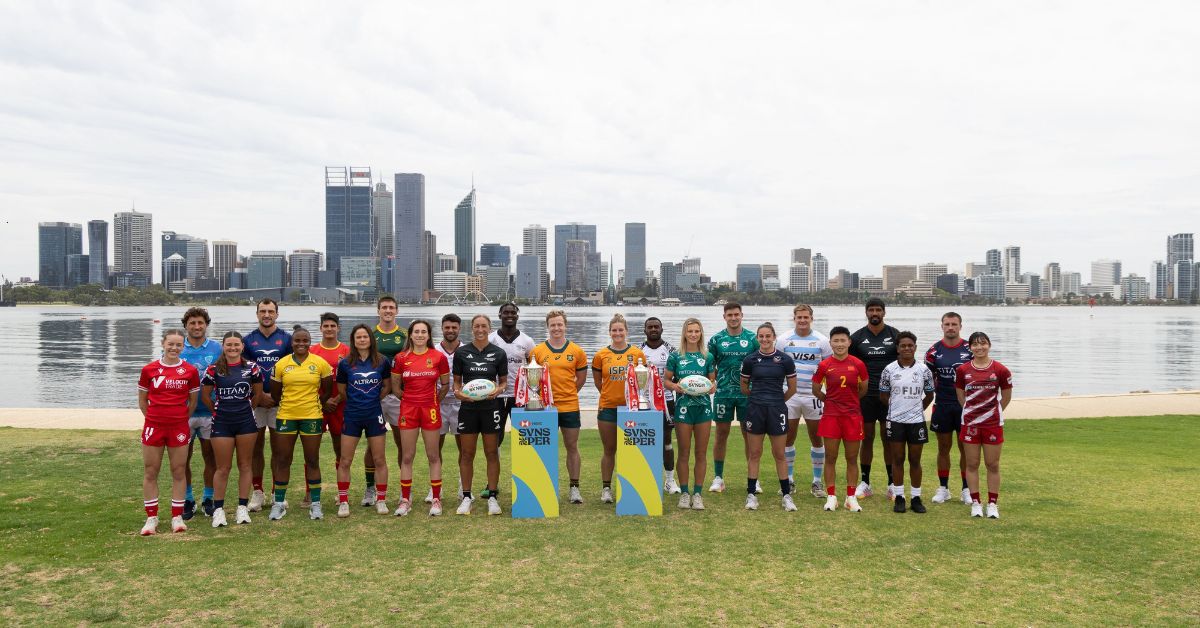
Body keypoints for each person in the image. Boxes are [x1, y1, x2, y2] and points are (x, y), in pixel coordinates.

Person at [137, 329, 201, 535]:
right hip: (154, 427)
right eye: (170, 344)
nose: (174, 348)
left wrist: (180, 418)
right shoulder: (149, 369)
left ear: (183, 347)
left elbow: (192, 403)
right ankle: (151, 518)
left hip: (179, 428)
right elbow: (142, 400)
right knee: (150, 471)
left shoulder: (190, 371)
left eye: (178, 345)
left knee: (179, 471)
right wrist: (154, 419)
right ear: (163, 344)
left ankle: (177, 517)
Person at [268, 327, 333, 521]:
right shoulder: (281, 365)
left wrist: (314, 405)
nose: (301, 344)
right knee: (283, 459)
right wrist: (291, 405)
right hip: (287, 416)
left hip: (312, 416)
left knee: (312, 459)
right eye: (297, 340)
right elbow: (275, 394)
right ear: (292, 342)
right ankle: (279, 504)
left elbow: (327, 390)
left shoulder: (320, 363)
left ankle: (315, 504)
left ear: (310, 342)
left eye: (305, 340)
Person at [201, 331, 263, 527]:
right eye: (229, 345)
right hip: (222, 422)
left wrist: (246, 410)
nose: (233, 348)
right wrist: (218, 411)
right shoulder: (213, 370)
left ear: (242, 347)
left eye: (237, 345)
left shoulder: (252, 368)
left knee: (245, 465)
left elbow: (257, 394)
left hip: (245, 422)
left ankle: (242, 508)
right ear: (223, 346)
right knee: (222, 468)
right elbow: (206, 396)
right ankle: (218, 510)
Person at [529, 309, 589, 504]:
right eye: (553, 325)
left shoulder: (577, 351)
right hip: (545, 407)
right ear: (548, 327)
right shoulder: (537, 352)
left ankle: (574, 488)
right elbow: (531, 381)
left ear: (565, 326)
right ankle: (544, 486)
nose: (556, 328)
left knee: (572, 446)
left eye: (559, 324)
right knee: (544, 447)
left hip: (570, 405)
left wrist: (567, 394)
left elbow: (580, 380)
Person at [391, 320, 450, 517]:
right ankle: (405, 500)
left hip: (430, 410)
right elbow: (395, 386)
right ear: (410, 335)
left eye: (423, 332)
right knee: (407, 456)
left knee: (433, 455)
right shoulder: (401, 358)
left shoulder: (438, 357)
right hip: (408, 410)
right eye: (416, 332)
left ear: (429, 335)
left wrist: (433, 401)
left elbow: (445, 385)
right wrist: (408, 400)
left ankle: (436, 499)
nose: (419, 335)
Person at [452, 314, 508, 515]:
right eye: (476, 326)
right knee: (467, 454)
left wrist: (498, 390)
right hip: (468, 408)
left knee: (492, 453)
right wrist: (458, 393)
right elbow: (456, 382)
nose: (480, 329)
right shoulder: (462, 353)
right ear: (472, 328)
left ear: (489, 328)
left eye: (484, 326)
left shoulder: (499, 353)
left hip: (491, 408)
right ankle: (466, 497)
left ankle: (493, 497)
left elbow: (503, 382)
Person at [335, 324, 392, 518]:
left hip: (374, 414)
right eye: (358, 337)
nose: (362, 340)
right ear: (353, 340)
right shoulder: (345, 363)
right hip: (352, 415)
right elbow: (342, 390)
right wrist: (356, 403)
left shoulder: (382, 361)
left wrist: (374, 400)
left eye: (365, 336)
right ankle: (343, 501)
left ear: (370, 339)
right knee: (345, 460)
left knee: (379, 459)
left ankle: (381, 499)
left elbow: (386, 386)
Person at [739, 323, 798, 512]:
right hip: (755, 410)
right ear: (757, 338)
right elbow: (744, 388)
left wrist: (777, 401)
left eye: (767, 336)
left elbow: (792, 388)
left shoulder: (785, 360)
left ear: (774, 337)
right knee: (754, 453)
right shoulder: (750, 360)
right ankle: (751, 495)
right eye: (761, 336)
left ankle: (786, 495)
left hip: (777, 410)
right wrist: (758, 399)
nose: (764, 339)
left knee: (779, 454)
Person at [776, 304, 833, 498]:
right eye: (799, 317)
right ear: (794, 318)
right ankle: (789, 481)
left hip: (813, 396)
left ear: (811, 318)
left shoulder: (822, 341)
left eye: (805, 317)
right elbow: (777, 367)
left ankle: (817, 482)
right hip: (789, 395)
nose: (802, 320)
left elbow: (828, 368)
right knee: (788, 438)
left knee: (817, 438)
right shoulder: (783, 340)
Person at [955, 331, 1013, 519]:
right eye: (975, 344)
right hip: (970, 424)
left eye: (983, 343)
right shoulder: (963, 370)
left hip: (993, 424)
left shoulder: (1000, 370)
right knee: (972, 464)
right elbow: (961, 396)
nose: (979, 347)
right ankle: (976, 503)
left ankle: (993, 504)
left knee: (992, 464)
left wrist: (991, 413)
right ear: (970, 347)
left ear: (989, 345)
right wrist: (973, 412)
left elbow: (1006, 397)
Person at [812, 326, 869, 512]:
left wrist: (849, 403)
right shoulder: (824, 365)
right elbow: (815, 389)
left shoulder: (858, 364)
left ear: (849, 342)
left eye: (843, 340)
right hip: (831, 416)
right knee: (831, 456)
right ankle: (831, 497)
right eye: (835, 341)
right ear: (830, 343)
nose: (839, 344)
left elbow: (863, 389)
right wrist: (830, 401)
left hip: (852, 416)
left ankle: (851, 497)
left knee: (852, 458)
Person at [242, 298, 291, 512]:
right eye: (263, 311)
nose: (267, 315)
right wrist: (259, 395)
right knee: (256, 448)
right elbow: (242, 373)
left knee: (280, 450)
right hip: (257, 402)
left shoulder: (287, 340)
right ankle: (258, 492)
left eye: (271, 311)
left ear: (277, 314)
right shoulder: (248, 340)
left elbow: (292, 371)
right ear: (257, 314)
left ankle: (277, 493)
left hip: (281, 401)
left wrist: (277, 395)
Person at [591, 313, 646, 504]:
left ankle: (630, 487)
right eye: (614, 330)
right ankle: (606, 488)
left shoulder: (638, 354)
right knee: (609, 450)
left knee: (631, 449)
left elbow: (642, 382)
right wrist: (611, 395)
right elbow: (599, 383)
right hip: (607, 407)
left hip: (631, 408)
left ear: (626, 331)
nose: (617, 333)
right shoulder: (600, 355)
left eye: (620, 330)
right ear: (609, 332)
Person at [849, 297, 900, 499]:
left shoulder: (895, 335)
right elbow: (849, 364)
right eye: (871, 310)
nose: (875, 313)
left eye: (878, 310)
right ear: (866, 313)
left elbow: (904, 361)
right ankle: (865, 482)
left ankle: (891, 484)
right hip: (865, 396)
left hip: (890, 397)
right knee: (867, 438)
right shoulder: (857, 337)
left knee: (888, 438)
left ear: (884, 312)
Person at [879, 331, 935, 514]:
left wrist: (916, 410)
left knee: (915, 460)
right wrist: (897, 409)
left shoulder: (924, 370)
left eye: (910, 345)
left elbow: (930, 395)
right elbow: (883, 395)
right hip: (895, 421)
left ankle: (916, 498)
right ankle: (900, 497)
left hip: (916, 422)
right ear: (897, 348)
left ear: (915, 348)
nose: (907, 348)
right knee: (898, 459)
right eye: (903, 345)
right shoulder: (889, 370)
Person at [706, 302, 759, 493]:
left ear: (742, 315)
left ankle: (753, 478)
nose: (733, 318)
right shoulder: (716, 340)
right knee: (721, 435)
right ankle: (718, 478)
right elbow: (709, 366)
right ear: (724, 317)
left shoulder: (753, 338)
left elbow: (759, 364)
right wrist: (711, 383)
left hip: (747, 394)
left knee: (749, 435)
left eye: (736, 314)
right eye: (730, 315)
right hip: (723, 395)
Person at [664, 318, 715, 510]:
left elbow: (712, 381)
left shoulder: (707, 357)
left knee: (701, 453)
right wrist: (676, 387)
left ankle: (698, 494)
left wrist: (712, 388)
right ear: (684, 333)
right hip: (683, 409)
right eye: (690, 331)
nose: (693, 334)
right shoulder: (676, 356)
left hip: (703, 409)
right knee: (684, 452)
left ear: (701, 333)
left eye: (697, 331)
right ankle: (684, 493)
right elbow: (666, 380)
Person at [925, 312, 974, 505]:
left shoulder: (970, 349)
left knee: (966, 449)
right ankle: (943, 488)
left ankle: (966, 489)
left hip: (966, 406)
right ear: (942, 326)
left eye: (954, 324)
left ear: (960, 326)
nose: (951, 327)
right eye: (947, 324)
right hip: (943, 405)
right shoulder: (933, 352)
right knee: (943, 448)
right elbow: (927, 380)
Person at [178, 307, 222, 520]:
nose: (196, 327)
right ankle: (187, 499)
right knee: (182, 458)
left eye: (200, 323)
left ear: (206, 325)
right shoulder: (178, 347)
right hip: (183, 413)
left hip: (210, 412)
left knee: (210, 457)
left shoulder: (217, 348)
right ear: (185, 325)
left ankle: (208, 498)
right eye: (192, 323)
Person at [370, 295, 407, 507]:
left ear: (397, 311)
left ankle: (405, 489)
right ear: (378, 311)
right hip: (374, 396)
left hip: (398, 396)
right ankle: (371, 488)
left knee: (402, 442)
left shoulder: (404, 335)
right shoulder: (370, 335)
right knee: (373, 445)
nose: (388, 310)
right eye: (384, 307)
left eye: (391, 307)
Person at [310, 312, 350, 489]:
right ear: (320, 328)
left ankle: (341, 491)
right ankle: (310, 491)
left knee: (340, 450)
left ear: (338, 328)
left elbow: (352, 379)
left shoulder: (347, 351)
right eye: (325, 326)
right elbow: (307, 380)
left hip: (340, 404)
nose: (329, 329)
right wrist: (323, 400)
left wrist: (338, 398)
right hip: (316, 404)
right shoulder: (312, 351)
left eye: (332, 326)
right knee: (312, 451)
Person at [639, 316, 679, 494]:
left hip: (666, 401)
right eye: (650, 327)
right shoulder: (638, 351)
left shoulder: (671, 350)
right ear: (645, 330)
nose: (653, 329)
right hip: (643, 402)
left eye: (656, 327)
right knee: (643, 440)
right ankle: (645, 479)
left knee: (666, 441)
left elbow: (677, 377)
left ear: (662, 329)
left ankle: (670, 481)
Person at [489, 302, 535, 450]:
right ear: (499, 315)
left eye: (513, 313)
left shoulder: (527, 341)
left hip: (519, 396)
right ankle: (494, 468)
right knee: (495, 437)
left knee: (523, 437)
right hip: (495, 395)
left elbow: (533, 368)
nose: (509, 315)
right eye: (506, 313)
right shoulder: (491, 339)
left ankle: (524, 471)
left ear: (517, 316)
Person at [428, 313, 463, 504]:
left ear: (459, 329)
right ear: (442, 328)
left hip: (460, 404)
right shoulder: (432, 350)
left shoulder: (466, 350)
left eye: (454, 327)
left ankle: (463, 487)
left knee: (464, 449)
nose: (450, 331)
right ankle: (435, 489)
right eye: (447, 327)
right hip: (438, 405)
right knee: (434, 449)